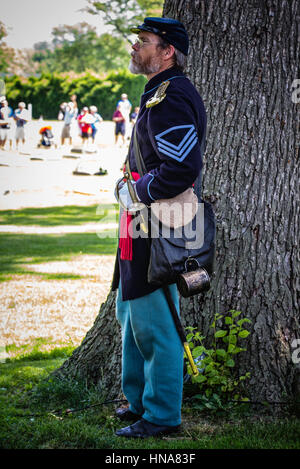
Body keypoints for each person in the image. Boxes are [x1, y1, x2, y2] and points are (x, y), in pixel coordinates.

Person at [112, 17, 207, 438]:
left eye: (144, 42)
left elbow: (182, 166)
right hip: (140, 223)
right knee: (131, 312)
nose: (136, 47)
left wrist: (138, 191)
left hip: (158, 225)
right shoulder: (157, 92)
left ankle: (162, 414)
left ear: (167, 51)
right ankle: (138, 401)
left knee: (157, 324)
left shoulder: (171, 95)